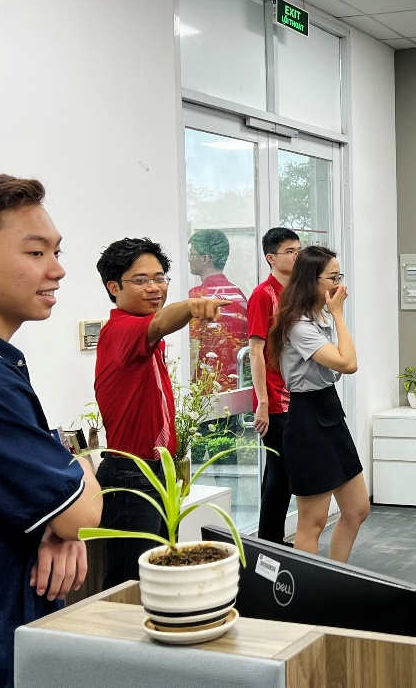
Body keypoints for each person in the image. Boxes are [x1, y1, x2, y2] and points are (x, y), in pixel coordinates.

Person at [0, 172, 102, 687]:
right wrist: (75, 477)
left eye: (57, 251)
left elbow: (62, 514)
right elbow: (84, 514)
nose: (57, 269)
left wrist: (56, 520)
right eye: (36, 253)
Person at [95, 237, 229, 588]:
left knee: (158, 577)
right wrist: (192, 307)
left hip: (157, 474)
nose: (154, 287)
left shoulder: (145, 336)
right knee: (131, 584)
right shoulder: (122, 329)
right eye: (141, 280)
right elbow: (160, 323)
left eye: (160, 278)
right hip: (131, 477)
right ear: (113, 286)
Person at [266, 246, 369, 561]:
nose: (339, 285)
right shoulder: (298, 325)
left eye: (339, 276)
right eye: (332, 278)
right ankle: (307, 590)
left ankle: (336, 576)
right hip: (307, 419)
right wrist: (339, 314)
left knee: (357, 509)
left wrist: (333, 314)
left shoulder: (318, 316)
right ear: (311, 280)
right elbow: (348, 363)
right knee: (313, 522)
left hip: (329, 411)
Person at [247, 227, 300, 544]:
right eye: (290, 251)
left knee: (280, 475)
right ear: (271, 257)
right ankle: (270, 544)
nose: (296, 256)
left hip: (296, 395)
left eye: (298, 250)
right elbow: (255, 351)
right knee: (280, 476)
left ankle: (272, 542)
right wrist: (263, 403)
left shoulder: (295, 294)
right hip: (276, 400)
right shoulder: (262, 295)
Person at [187, 228, 249, 391]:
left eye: (191, 254)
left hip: (205, 389)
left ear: (205, 259)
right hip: (237, 385)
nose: (189, 259)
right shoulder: (238, 295)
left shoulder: (197, 296)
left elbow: (193, 348)